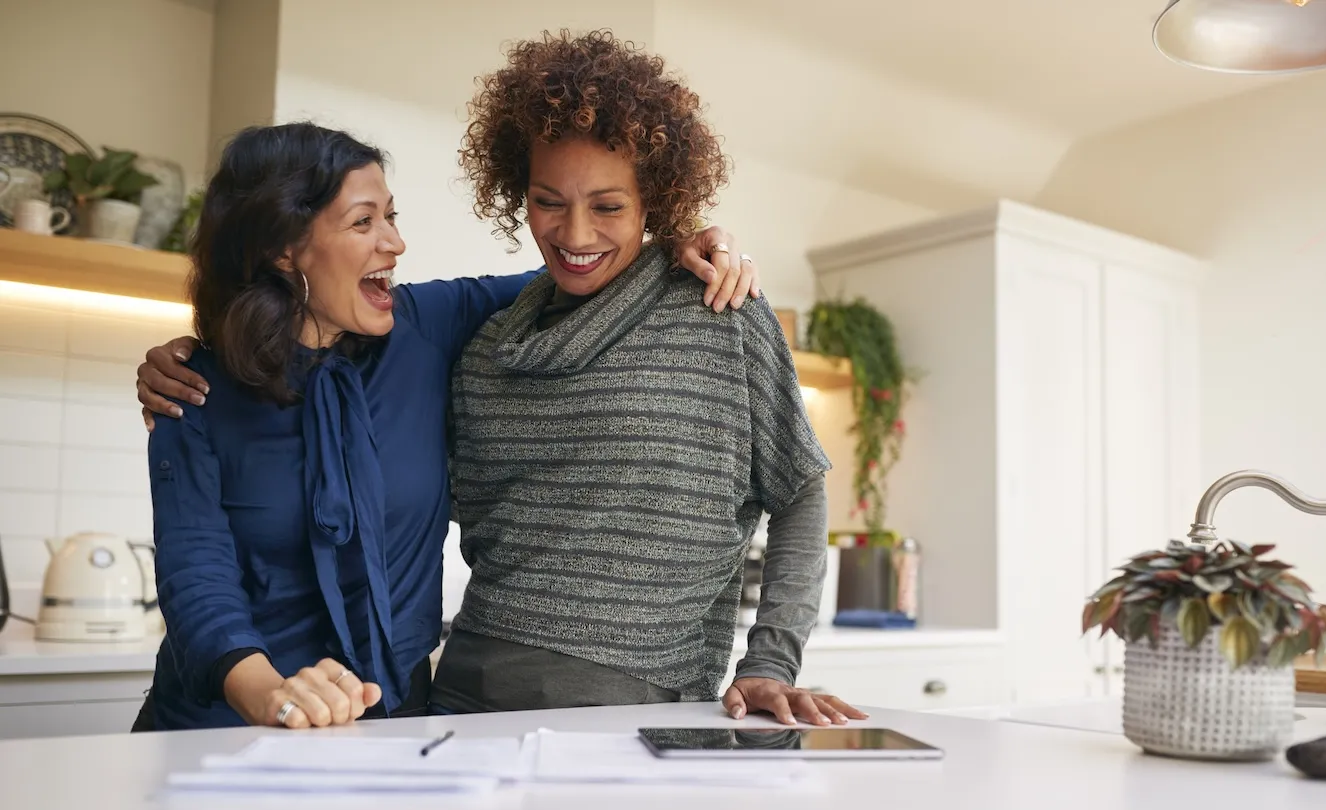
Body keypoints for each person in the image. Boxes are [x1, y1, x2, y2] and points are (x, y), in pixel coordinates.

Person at [133, 120, 757, 732]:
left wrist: (677, 248)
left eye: (391, 217)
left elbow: (585, 269)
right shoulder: (194, 391)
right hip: (229, 724)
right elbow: (196, 576)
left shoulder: (424, 329)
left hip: (390, 723)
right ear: (282, 247)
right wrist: (270, 694)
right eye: (362, 222)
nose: (394, 244)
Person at [430, 29, 866, 728]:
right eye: (548, 201)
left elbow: (799, 494)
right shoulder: (486, 347)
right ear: (517, 191)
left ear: (655, 202)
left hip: (636, 704)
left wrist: (770, 661)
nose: (574, 233)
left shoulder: (718, 313)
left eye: (607, 206)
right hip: (460, 691)